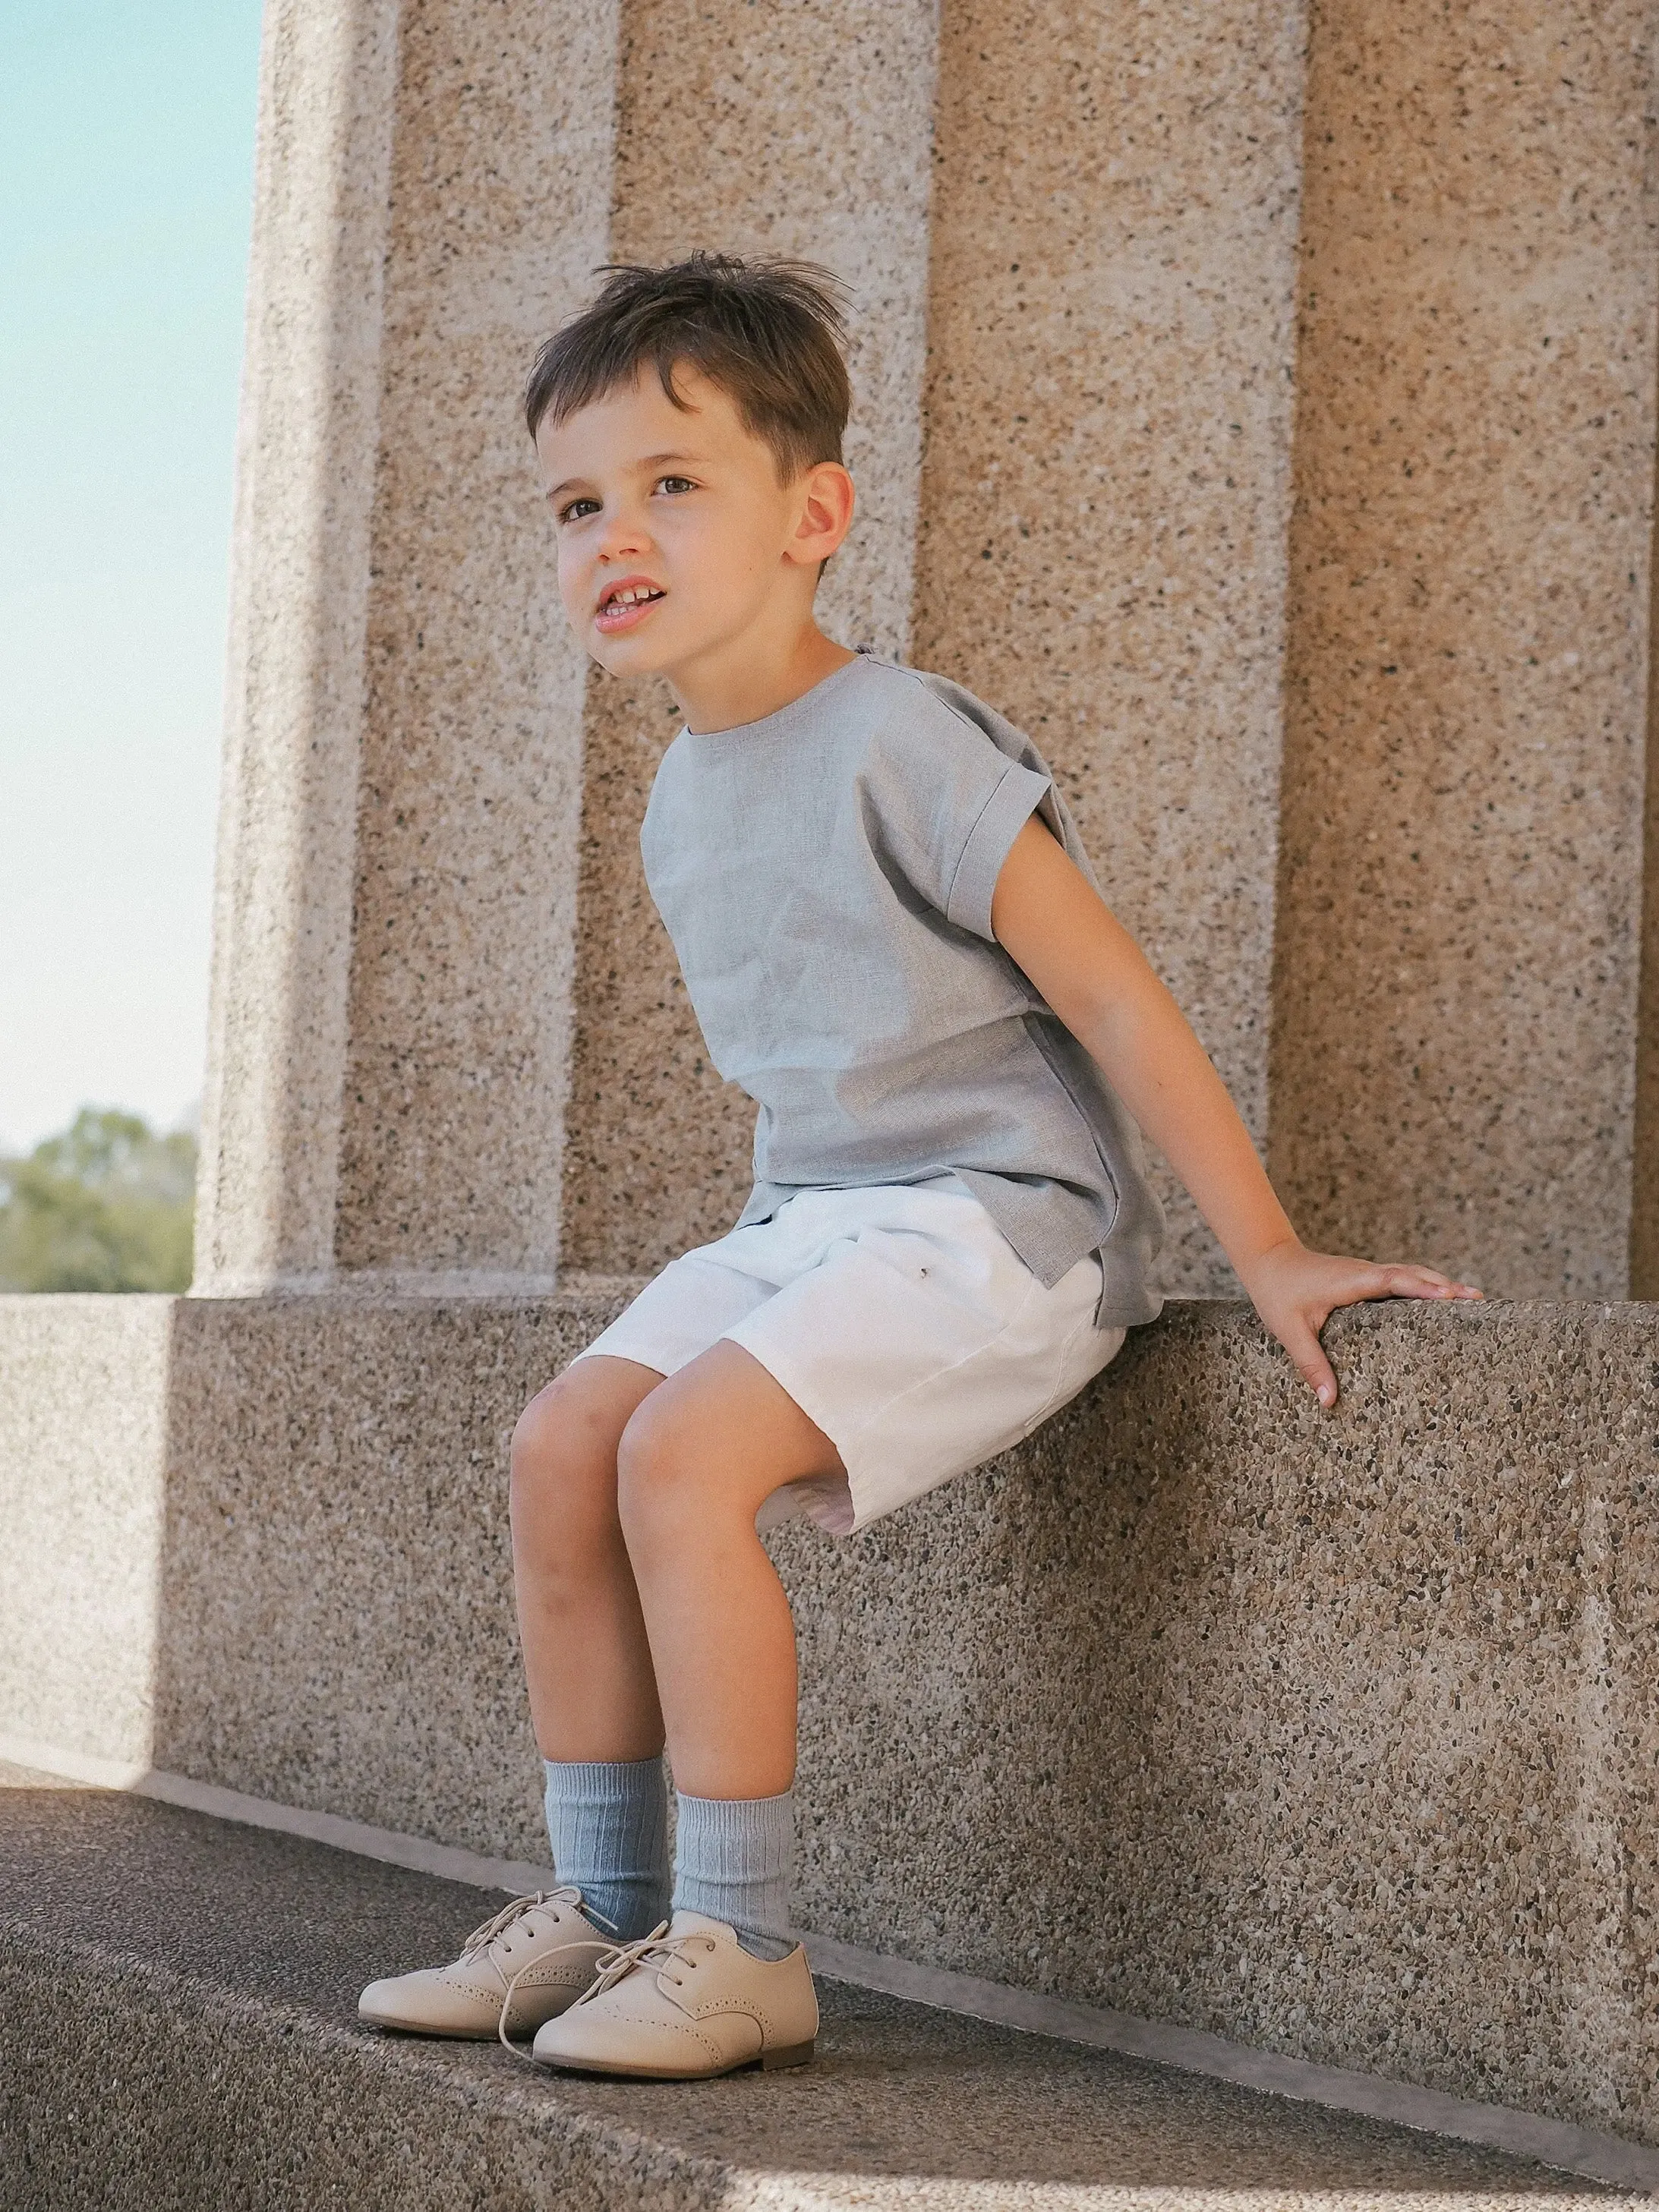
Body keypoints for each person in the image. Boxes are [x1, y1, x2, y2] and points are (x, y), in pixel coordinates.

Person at [358, 254, 1481, 2079]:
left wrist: (1260, 1245)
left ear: (814, 514)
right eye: (577, 504)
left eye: (670, 483)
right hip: (810, 1219)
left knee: (679, 1452)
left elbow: (1110, 998)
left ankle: (746, 1942)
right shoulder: (678, 793)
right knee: (561, 1437)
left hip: (999, 1223)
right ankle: (610, 1904)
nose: (612, 535)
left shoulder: (902, 733)